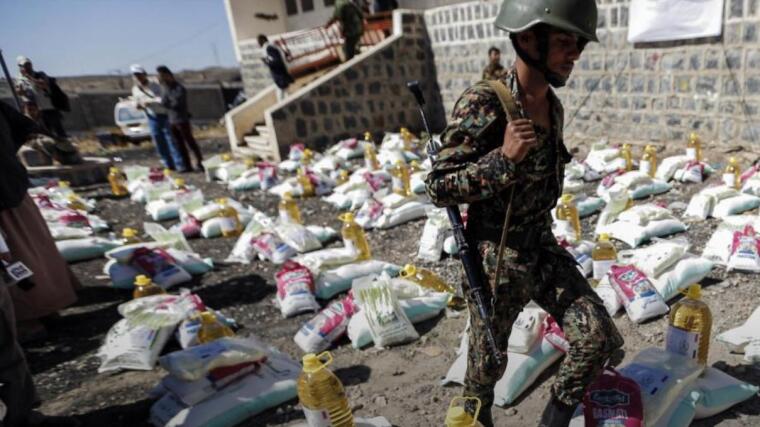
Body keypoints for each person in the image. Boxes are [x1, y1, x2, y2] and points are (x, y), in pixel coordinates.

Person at [424, 1, 624, 426]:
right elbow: (438, 186)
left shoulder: (553, 105)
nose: (575, 54)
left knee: (597, 337)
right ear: (529, 37)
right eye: (567, 42)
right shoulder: (485, 103)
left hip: (541, 246)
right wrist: (503, 160)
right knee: (483, 374)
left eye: (579, 45)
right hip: (496, 258)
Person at [0, 101, 80, 344]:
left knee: (12, 256)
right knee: (35, 249)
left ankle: (28, 318)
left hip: (4, 196)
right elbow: (26, 128)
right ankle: (49, 307)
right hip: (12, 183)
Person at [130, 64, 187, 172]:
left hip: (164, 114)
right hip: (152, 116)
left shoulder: (156, 85)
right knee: (158, 141)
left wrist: (150, 101)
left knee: (171, 140)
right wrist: (138, 105)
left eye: (139, 75)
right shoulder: (135, 89)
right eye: (135, 75)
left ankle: (179, 164)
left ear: (144, 74)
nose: (138, 77)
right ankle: (168, 164)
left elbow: (164, 98)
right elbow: (136, 101)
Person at [156, 66, 204, 172]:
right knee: (179, 144)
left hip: (182, 120)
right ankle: (186, 165)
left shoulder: (179, 88)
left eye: (163, 76)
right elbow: (164, 102)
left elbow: (176, 103)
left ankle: (199, 162)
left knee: (190, 142)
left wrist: (166, 103)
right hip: (172, 120)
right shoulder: (165, 89)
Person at [15, 56, 69, 139]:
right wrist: (20, 91)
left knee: (59, 131)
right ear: (20, 67)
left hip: (47, 107)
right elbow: (19, 92)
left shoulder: (40, 74)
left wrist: (29, 77)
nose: (27, 67)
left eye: (28, 64)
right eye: (25, 65)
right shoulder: (19, 79)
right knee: (43, 134)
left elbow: (43, 84)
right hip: (33, 110)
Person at [257, 35, 294, 101]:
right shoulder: (273, 46)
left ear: (262, 40)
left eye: (259, 42)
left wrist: (265, 62)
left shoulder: (268, 48)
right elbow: (284, 55)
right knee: (286, 92)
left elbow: (276, 60)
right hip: (282, 71)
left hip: (279, 73)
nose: (258, 44)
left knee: (281, 94)